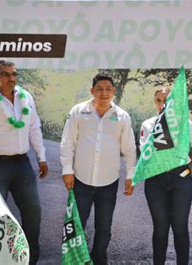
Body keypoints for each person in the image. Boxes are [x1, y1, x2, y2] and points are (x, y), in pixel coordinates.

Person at [0, 60, 48, 265]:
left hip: (22, 164)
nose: (11, 78)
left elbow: (34, 128)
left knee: (33, 212)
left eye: (14, 74)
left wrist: (41, 156)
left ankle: (30, 260)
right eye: (6, 74)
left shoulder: (26, 97)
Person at [60, 74, 137, 265]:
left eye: (108, 89)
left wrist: (130, 175)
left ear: (113, 91)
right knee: (77, 225)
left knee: (104, 227)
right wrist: (67, 169)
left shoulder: (122, 116)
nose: (104, 92)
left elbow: (129, 148)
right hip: (80, 180)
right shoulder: (78, 111)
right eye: (100, 88)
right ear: (92, 91)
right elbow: (67, 141)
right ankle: (76, 260)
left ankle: (98, 260)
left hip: (108, 182)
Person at [139, 87, 192, 265]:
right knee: (160, 229)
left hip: (181, 181)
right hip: (155, 181)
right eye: (158, 100)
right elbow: (145, 154)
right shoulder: (148, 125)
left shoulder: (185, 123)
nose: (162, 104)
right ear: (155, 103)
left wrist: (182, 162)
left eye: (166, 100)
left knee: (180, 228)